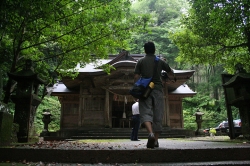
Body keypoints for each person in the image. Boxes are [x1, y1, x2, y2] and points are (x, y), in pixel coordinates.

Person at [133, 41, 174, 148]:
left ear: (145, 50)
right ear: (154, 50)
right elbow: (170, 72)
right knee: (158, 114)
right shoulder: (160, 61)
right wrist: (170, 79)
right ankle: (155, 140)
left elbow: (136, 77)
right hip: (157, 89)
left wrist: (137, 89)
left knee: (145, 112)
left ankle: (150, 133)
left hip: (145, 90)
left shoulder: (140, 61)